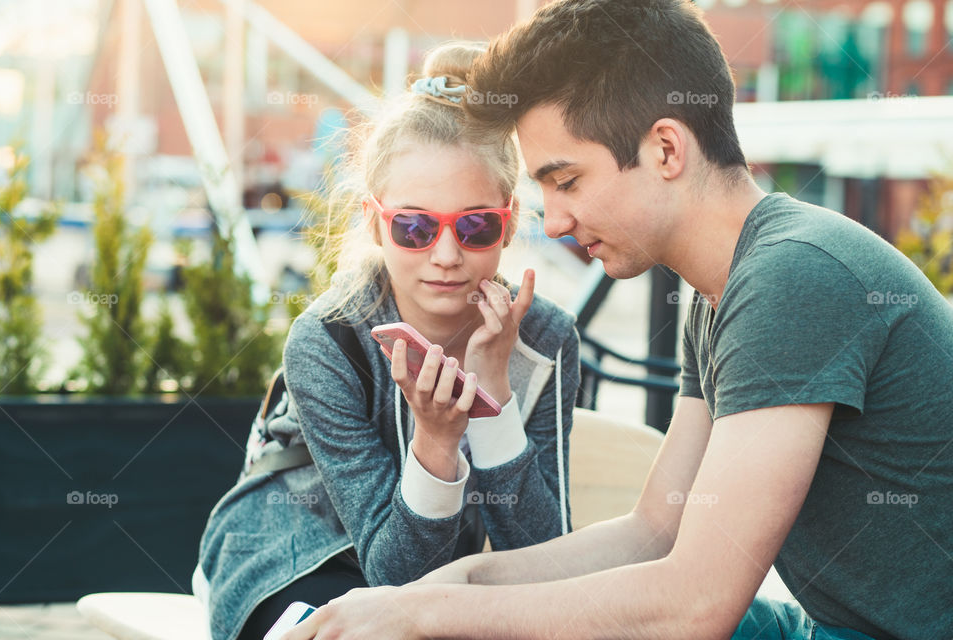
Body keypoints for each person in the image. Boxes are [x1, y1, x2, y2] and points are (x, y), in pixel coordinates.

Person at [281, 2, 953, 639]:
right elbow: (654, 532)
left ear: (665, 149)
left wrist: (432, 618)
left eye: (567, 181)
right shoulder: (723, 290)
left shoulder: (793, 278)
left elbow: (695, 608)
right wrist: (423, 600)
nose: (558, 220)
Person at [192, 42, 581, 640]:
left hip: (453, 576)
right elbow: (397, 576)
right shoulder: (327, 339)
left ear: (509, 218)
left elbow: (548, 565)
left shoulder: (545, 338)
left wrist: (496, 401)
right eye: (415, 227)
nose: (447, 257)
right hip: (294, 553)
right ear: (376, 221)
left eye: (476, 226)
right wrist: (435, 440)